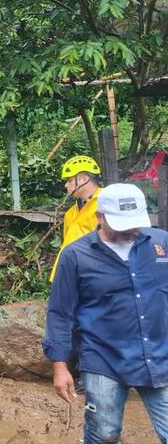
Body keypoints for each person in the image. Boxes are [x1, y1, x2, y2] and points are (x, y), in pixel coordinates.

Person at [43, 183, 168, 443]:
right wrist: (60, 365)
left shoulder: (161, 244)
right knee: (103, 434)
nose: (132, 229)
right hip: (103, 358)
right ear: (100, 217)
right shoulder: (76, 256)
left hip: (158, 355)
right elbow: (60, 313)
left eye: (135, 222)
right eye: (122, 223)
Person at [49, 156, 103, 282]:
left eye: (70, 180)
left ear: (83, 179)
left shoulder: (105, 204)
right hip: (69, 276)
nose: (66, 185)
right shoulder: (71, 213)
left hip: (93, 276)